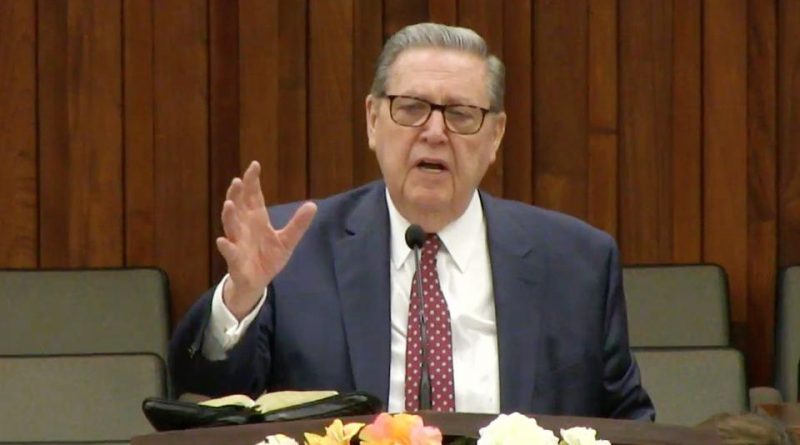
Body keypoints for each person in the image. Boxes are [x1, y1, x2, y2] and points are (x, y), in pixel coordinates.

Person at [169, 22, 654, 420]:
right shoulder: (289, 253)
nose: (435, 132)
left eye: (461, 114)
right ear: (372, 120)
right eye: (412, 108)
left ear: (495, 136)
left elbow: (628, 422)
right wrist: (240, 300)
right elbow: (205, 402)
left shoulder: (577, 264)